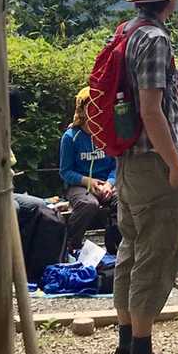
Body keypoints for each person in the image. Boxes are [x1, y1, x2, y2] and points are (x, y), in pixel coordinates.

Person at [111, 0, 178, 354]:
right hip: (152, 163)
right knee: (156, 256)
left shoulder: (125, 32)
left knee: (130, 250)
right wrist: (175, 165)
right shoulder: (156, 39)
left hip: (126, 162)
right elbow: (151, 109)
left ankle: (125, 348)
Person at [60, 87, 120, 260]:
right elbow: (65, 172)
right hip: (79, 185)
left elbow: (116, 165)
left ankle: (116, 244)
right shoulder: (70, 137)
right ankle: (71, 245)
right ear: (82, 110)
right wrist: (88, 181)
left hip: (107, 183)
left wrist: (109, 183)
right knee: (88, 204)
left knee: (123, 200)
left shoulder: (107, 134)